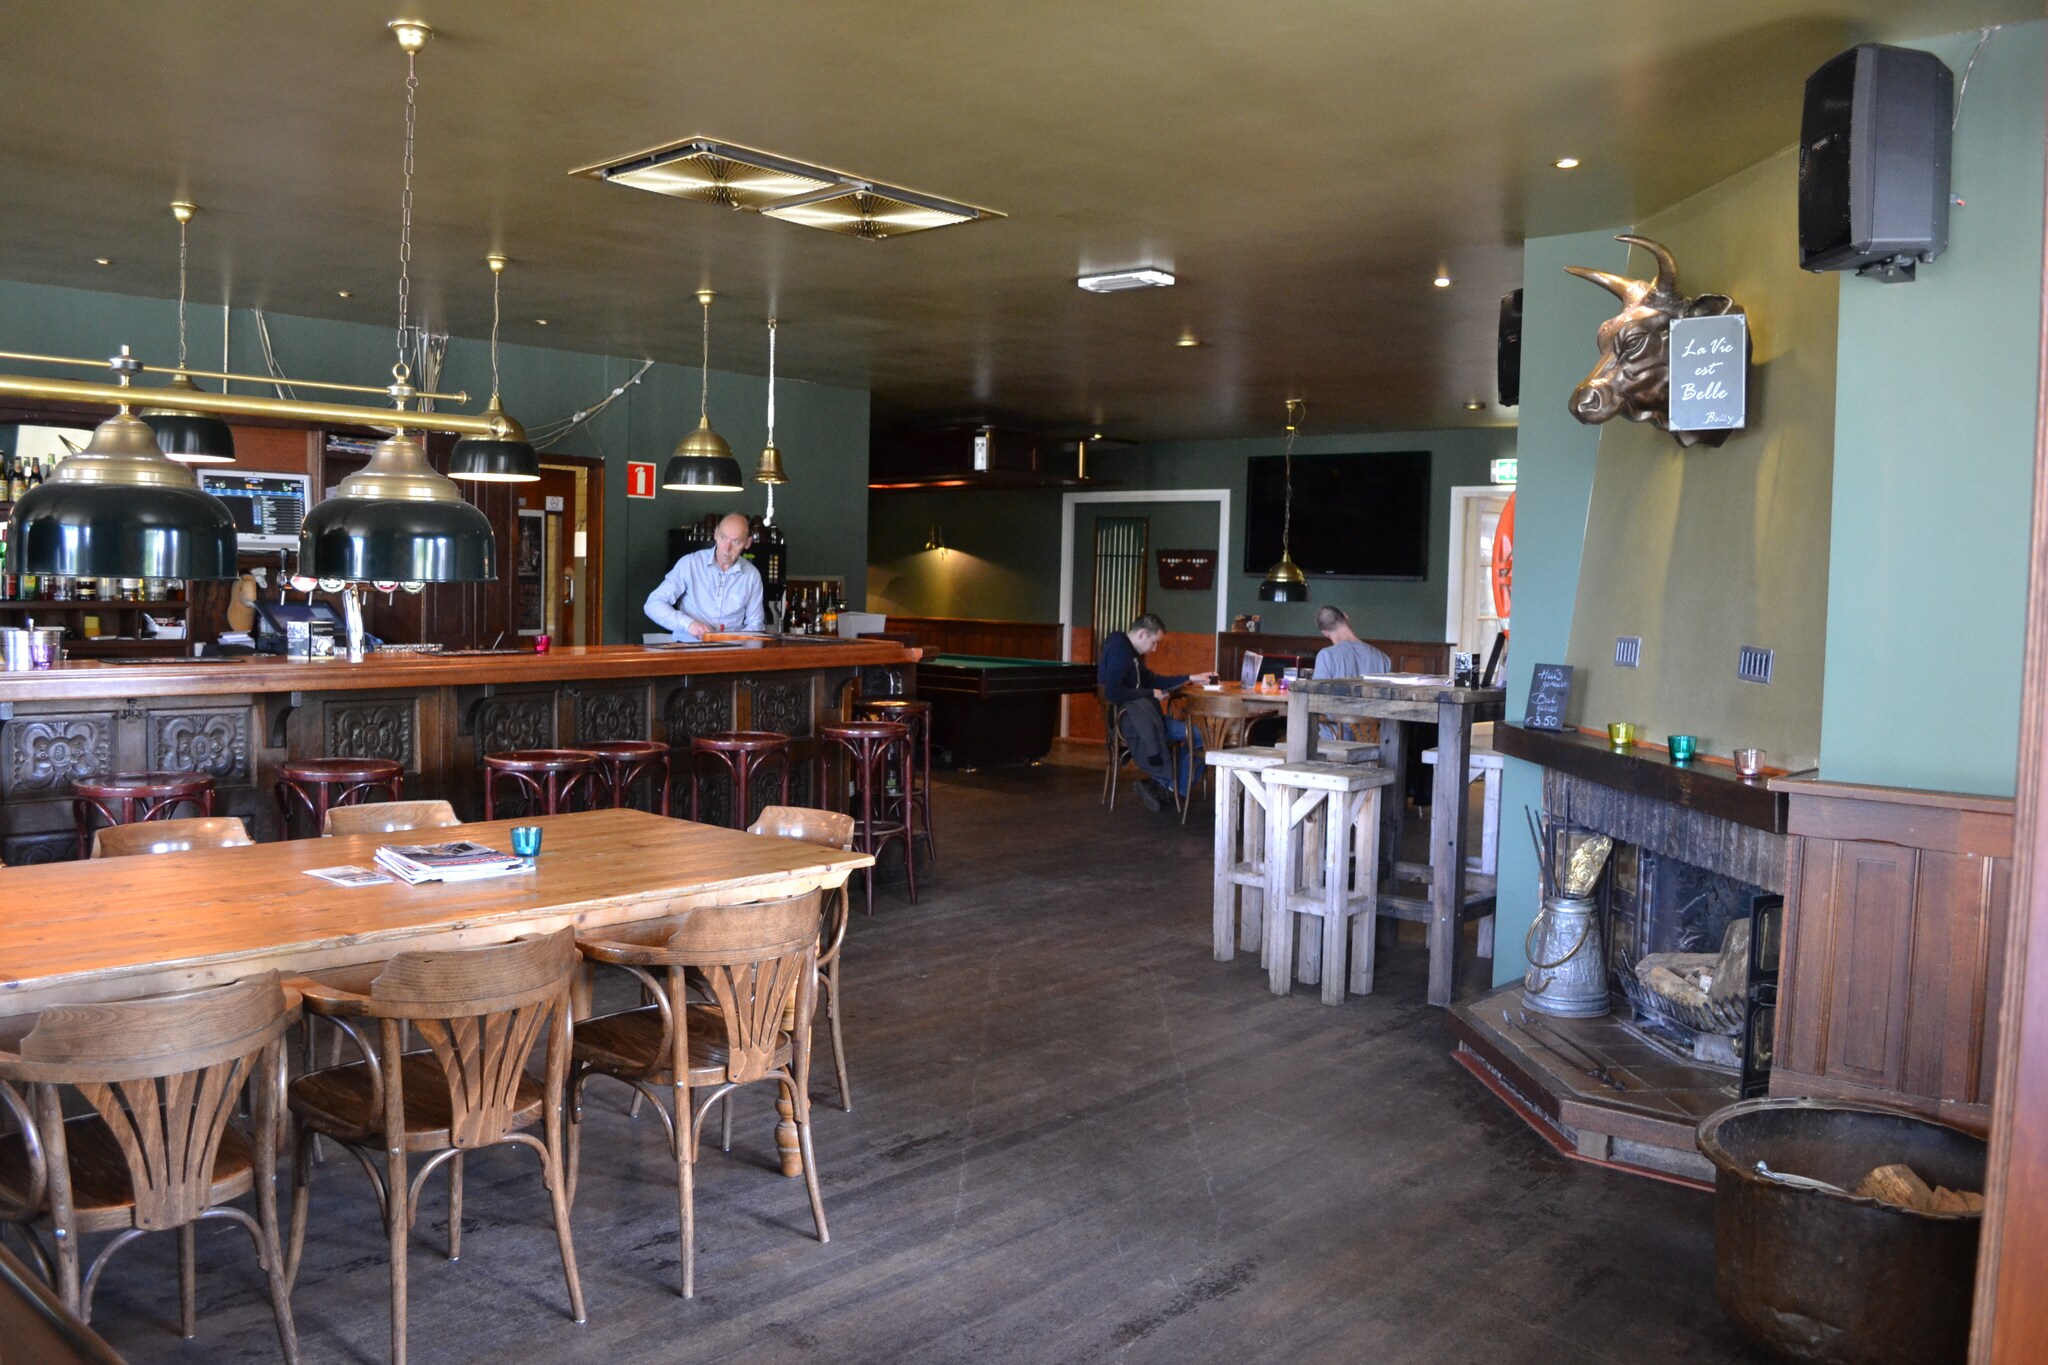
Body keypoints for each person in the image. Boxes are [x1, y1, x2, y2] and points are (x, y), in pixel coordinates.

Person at [1098, 613, 1217, 811]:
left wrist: (1192, 677)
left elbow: (1153, 680)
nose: (1154, 649)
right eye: (1154, 643)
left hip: (1141, 717)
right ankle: (1174, 789)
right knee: (1204, 735)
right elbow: (1113, 692)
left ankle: (1165, 786)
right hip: (1131, 721)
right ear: (1142, 634)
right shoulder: (1120, 652)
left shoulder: (1129, 652)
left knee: (1203, 735)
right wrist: (1150, 693)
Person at [644, 512, 765, 638]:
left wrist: (736, 641)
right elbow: (653, 604)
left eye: (736, 542)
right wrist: (688, 624)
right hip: (687, 646)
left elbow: (755, 623)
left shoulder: (752, 575)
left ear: (747, 543)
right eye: (723, 537)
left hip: (731, 648)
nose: (727, 548)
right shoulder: (690, 563)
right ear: (715, 534)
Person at [1312, 605, 1391, 679]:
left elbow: (1317, 689)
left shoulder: (1326, 656)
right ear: (1345, 616)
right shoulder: (1383, 659)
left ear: (1325, 633)